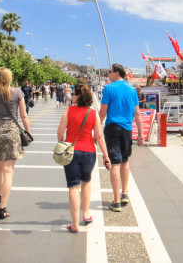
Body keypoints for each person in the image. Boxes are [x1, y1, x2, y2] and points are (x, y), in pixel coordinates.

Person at [57, 84, 110, 232]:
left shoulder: (69, 110)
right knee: (86, 182)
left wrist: (62, 143)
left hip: (71, 151)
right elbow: (99, 136)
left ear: (78, 96)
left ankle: (74, 224)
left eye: (74, 94)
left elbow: (60, 132)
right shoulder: (93, 114)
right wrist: (106, 156)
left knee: (73, 186)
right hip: (89, 152)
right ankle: (86, 214)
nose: (72, 96)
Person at [0, 67, 30, 220]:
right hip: (12, 131)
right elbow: (23, 115)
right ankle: (3, 207)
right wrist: (28, 131)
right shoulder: (17, 92)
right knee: (8, 171)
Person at [99, 63, 144, 212]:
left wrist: (96, 129)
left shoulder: (109, 89)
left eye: (109, 72)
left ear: (117, 73)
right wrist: (141, 134)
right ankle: (124, 193)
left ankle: (116, 201)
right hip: (127, 129)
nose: (108, 74)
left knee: (115, 163)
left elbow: (103, 112)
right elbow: (137, 114)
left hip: (112, 128)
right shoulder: (132, 90)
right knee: (125, 161)